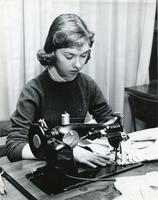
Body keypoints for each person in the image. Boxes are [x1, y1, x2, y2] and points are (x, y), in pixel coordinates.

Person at [6, 13, 114, 168]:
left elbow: (109, 123)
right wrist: (66, 152)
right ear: (52, 52)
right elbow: (13, 147)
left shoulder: (87, 84)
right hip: (43, 172)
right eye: (69, 56)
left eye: (83, 56)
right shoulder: (33, 91)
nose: (78, 64)